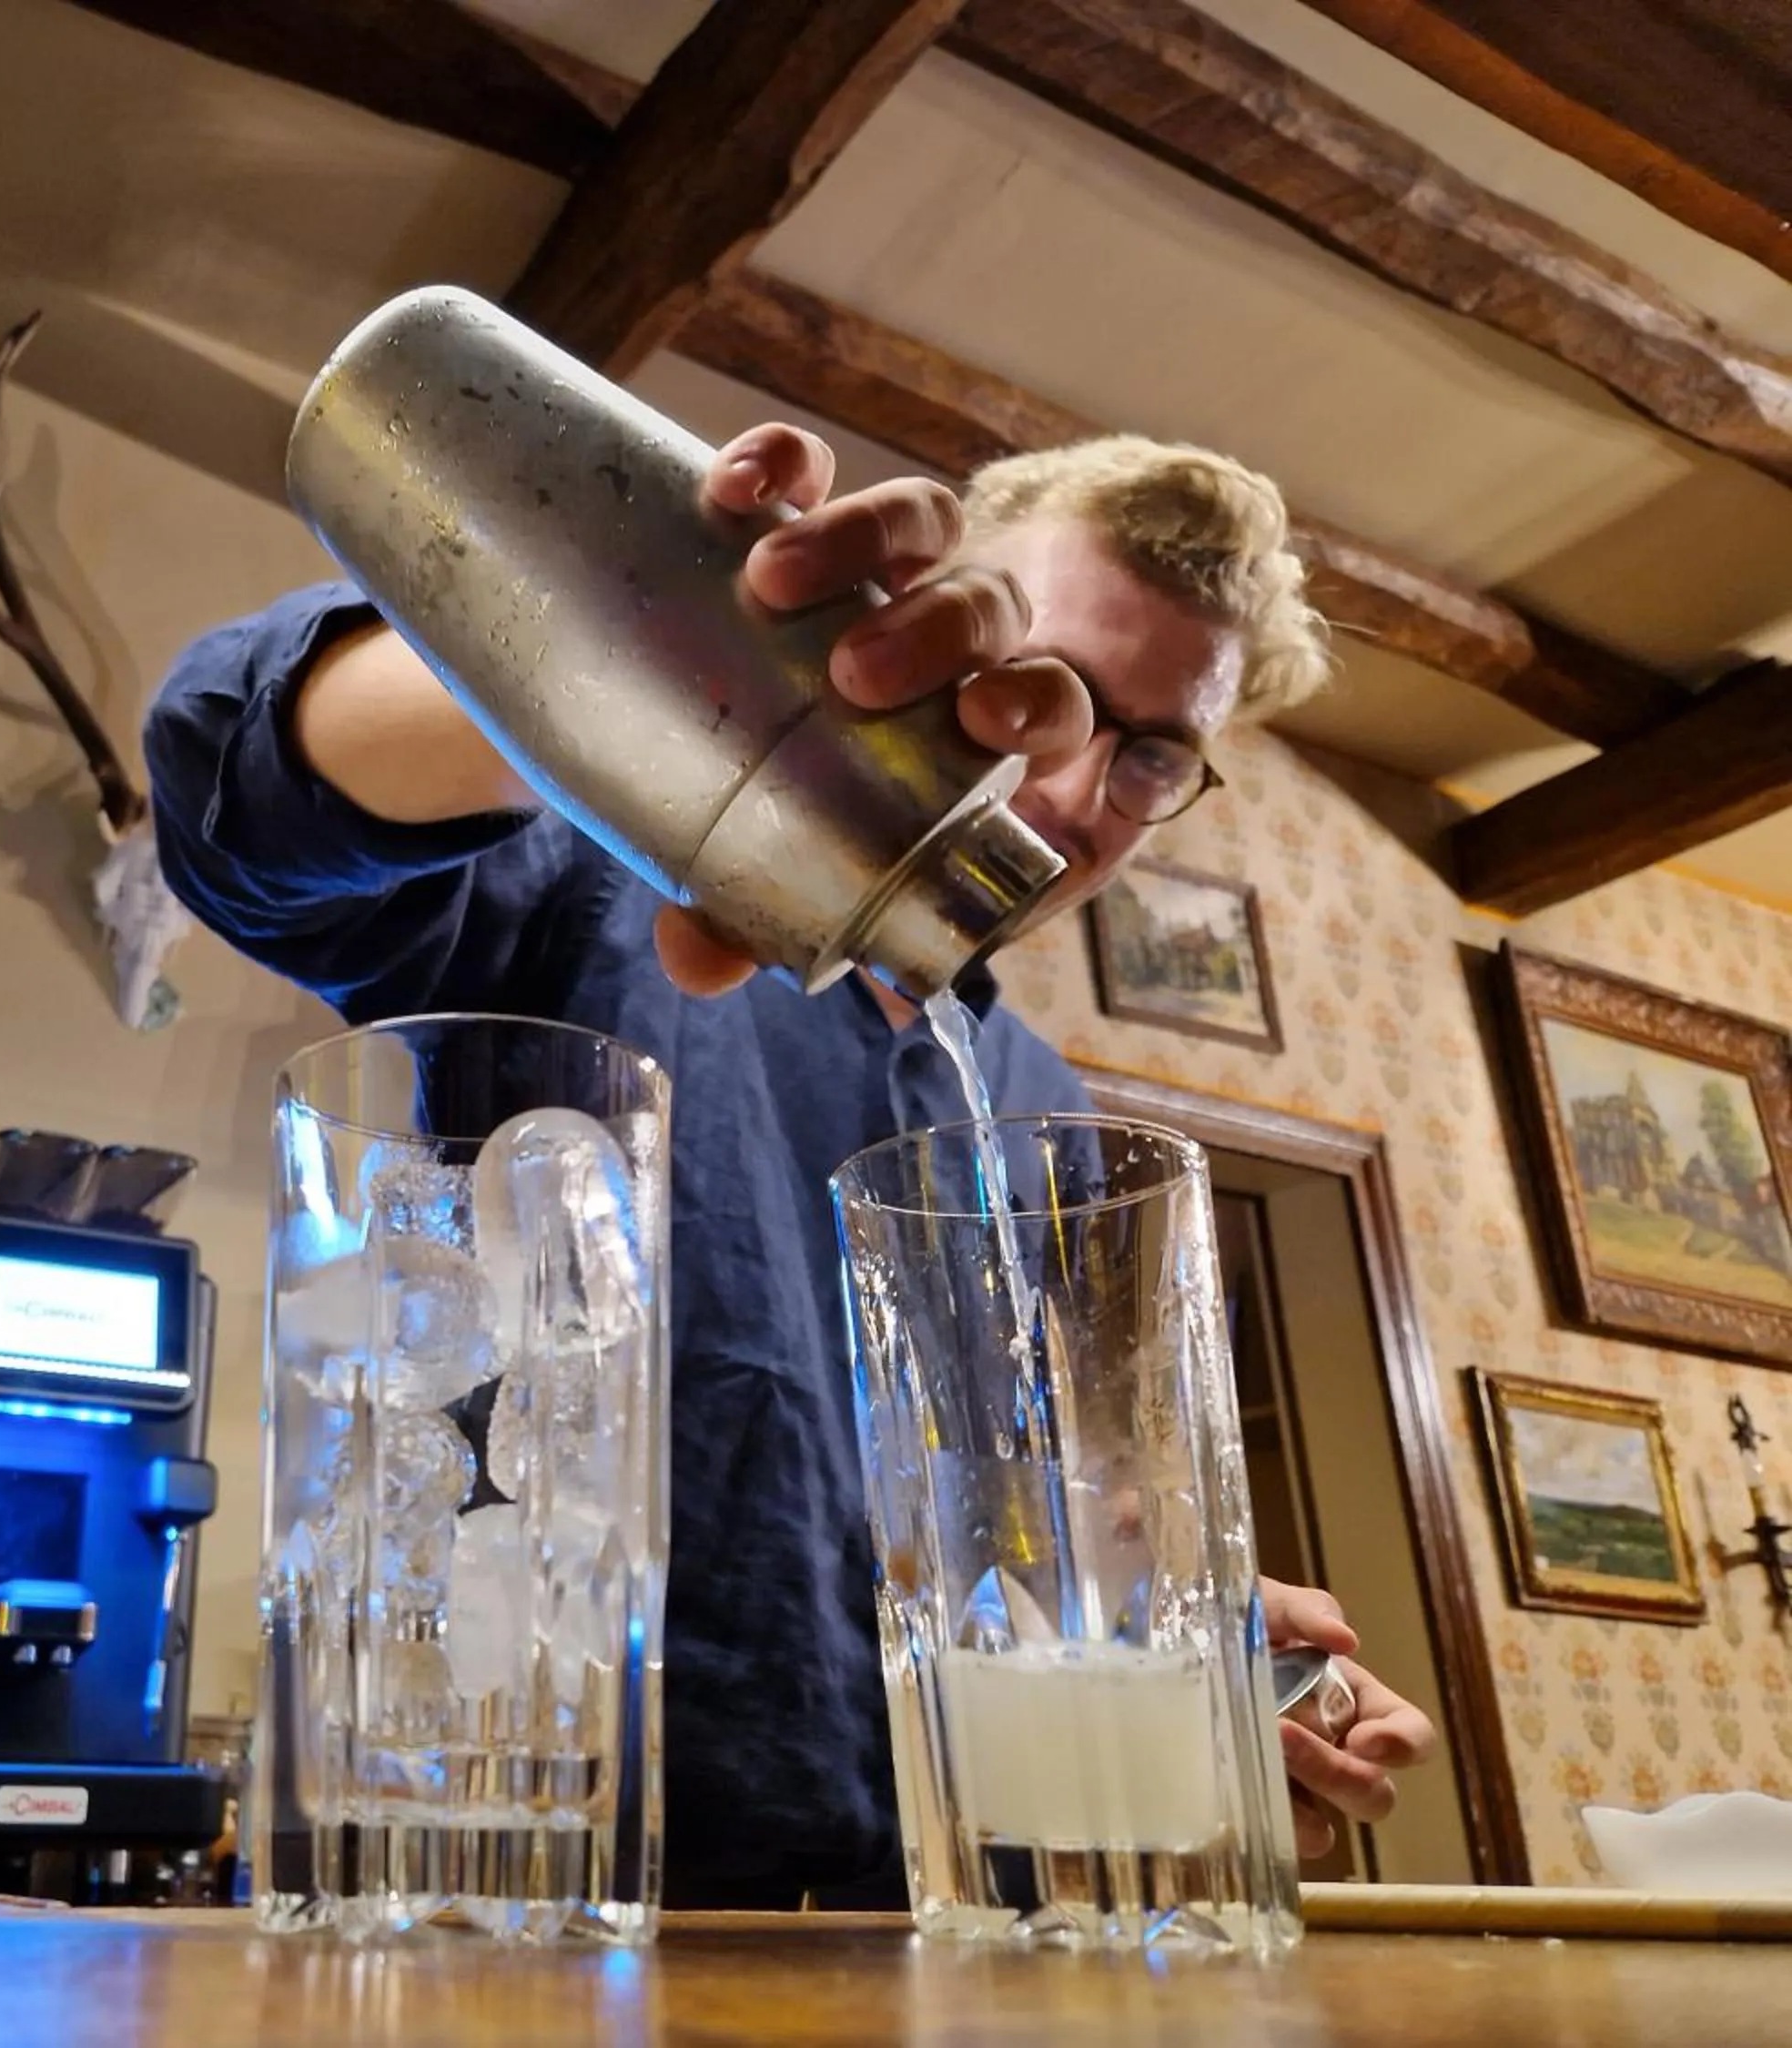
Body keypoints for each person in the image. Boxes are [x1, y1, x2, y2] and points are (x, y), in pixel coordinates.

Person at [145, 421, 1440, 1907]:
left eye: (1154, 755)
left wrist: (1209, 1662)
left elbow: (1058, 1543)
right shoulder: (597, 875)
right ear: (927, 628)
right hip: (503, 1868)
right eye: (1053, 691)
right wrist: (667, 693)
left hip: (916, 1920)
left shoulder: (1045, 1122)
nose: (1078, 792)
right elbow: (230, 793)